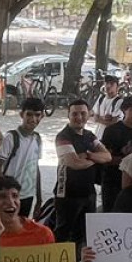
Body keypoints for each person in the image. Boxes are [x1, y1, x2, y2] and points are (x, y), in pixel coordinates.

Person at [50, 99, 110, 246]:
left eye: (83, 113)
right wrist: (96, 158)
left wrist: (88, 156)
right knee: (63, 235)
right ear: (68, 115)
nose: (79, 117)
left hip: (89, 193)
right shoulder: (63, 137)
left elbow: (107, 156)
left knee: (83, 235)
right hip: (67, 194)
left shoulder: (90, 135)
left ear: (89, 114)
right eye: (75, 114)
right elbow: (74, 163)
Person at [0, 98, 48, 219]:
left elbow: (35, 169)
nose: (33, 119)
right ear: (21, 114)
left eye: (37, 115)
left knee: (21, 228)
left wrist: (39, 198)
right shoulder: (11, 138)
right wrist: (5, 194)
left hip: (27, 195)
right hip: (10, 197)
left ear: (42, 116)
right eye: (29, 114)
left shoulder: (37, 139)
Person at [98, 95, 132, 212]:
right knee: (112, 212)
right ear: (124, 110)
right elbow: (107, 158)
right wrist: (129, 161)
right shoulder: (112, 130)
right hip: (113, 180)